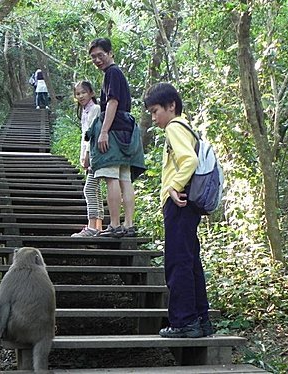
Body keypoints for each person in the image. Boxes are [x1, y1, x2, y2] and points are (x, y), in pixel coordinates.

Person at [143, 82, 213, 338]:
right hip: (189, 204)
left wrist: (173, 186)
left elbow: (190, 160)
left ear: (171, 106)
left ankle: (184, 322)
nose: (153, 117)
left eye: (155, 111)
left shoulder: (174, 127)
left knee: (177, 262)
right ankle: (201, 319)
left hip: (178, 203)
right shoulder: (187, 127)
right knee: (190, 260)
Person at [87, 38, 145, 238]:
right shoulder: (116, 73)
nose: (97, 60)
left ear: (110, 53)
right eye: (93, 57)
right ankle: (128, 224)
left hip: (113, 131)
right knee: (124, 178)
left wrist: (103, 131)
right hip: (126, 132)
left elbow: (112, 102)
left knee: (111, 177)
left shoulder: (112, 73)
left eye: (100, 55)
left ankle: (113, 225)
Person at [71, 81, 104, 237]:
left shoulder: (95, 109)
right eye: (77, 93)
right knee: (95, 189)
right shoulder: (85, 111)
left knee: (89, 189)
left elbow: (91, 135)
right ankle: (98, 227)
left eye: (83, 92)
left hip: (95, 155)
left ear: (91, 93)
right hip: (92, 156)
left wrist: (87, 156)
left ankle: (92, 227)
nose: (80, 96)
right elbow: (84, 136)